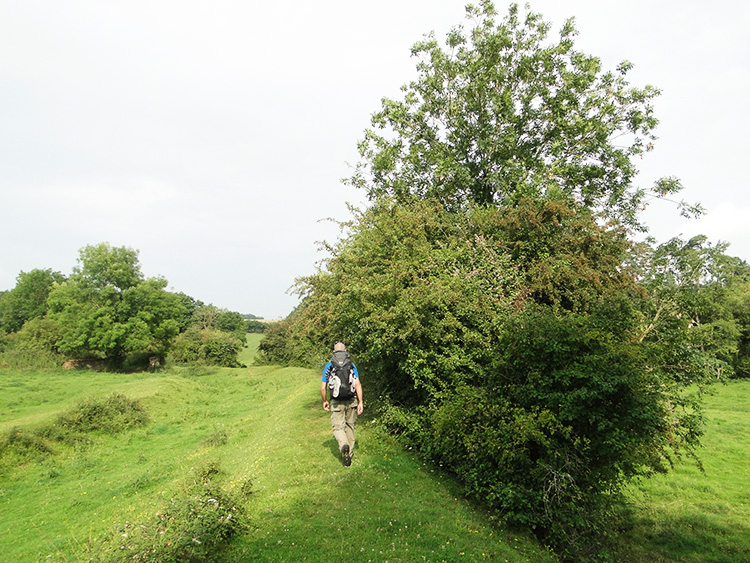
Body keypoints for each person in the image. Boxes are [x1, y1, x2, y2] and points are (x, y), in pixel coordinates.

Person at [321, 341, 363, 466]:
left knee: (338, 427)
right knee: (350, 426)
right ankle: (348, 454)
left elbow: (323, 387)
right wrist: (360, 401)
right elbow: (357, 384)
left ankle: (344, 445)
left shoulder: (329, 366)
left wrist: (324, 401)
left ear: (334, 351)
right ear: (345, 351)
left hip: (336, 401)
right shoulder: (351, 365)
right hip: (351, 400)